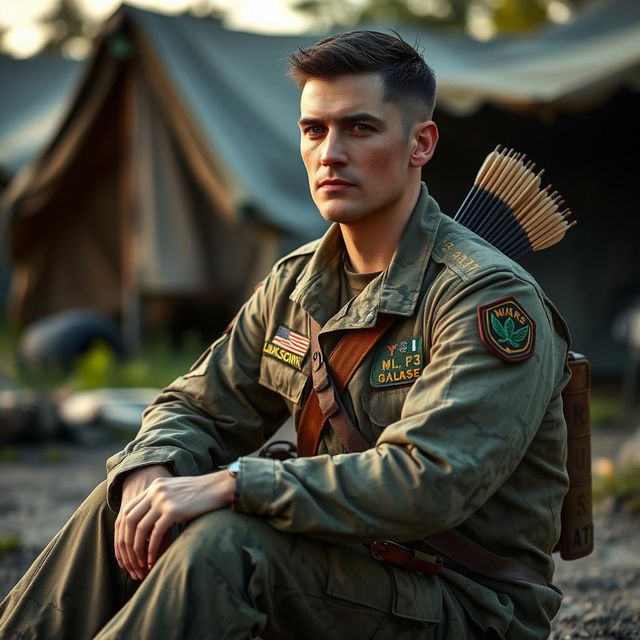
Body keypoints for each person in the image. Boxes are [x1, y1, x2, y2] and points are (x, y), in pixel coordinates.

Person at [0, 30, 571, 639]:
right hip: (350, 561)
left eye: (360, 128)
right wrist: (153, 469)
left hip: (466, 600)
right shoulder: (298, 285)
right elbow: (196, 406)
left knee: (228, 546)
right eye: (314, 130)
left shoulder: (484, 296)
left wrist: (236, 483)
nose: (330, 153)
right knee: (129, 499)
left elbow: (429, 481)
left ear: (420, 143)